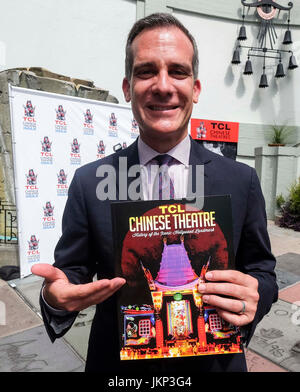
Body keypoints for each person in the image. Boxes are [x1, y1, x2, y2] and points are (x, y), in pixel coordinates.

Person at [31, 13, 278, 373]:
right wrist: (54, 298)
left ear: (195, 88)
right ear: (128, 87)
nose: (163, 86)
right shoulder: (90, 182)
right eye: (146, 71)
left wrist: (256, 292)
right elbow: (69, 276)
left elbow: (263, 271)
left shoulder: (240, 181)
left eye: (177, 71)